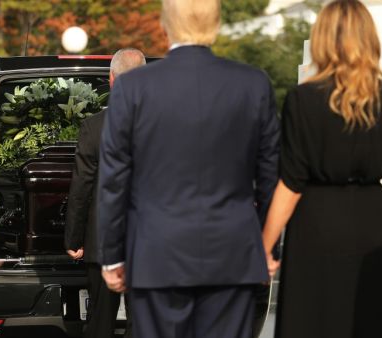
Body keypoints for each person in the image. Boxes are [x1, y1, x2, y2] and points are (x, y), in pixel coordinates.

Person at [96, 0, 279, 337]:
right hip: (233, 253)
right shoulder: (253, 84)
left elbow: (114, 179)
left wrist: (112, 255)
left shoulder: (132, 88)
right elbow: (270, 175)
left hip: (156, 254)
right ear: (217, 24)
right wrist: (269, 246)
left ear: (165, 26)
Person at [261, 1, 382, 337]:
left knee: (313, 321)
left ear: (321, 39)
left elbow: (291, 184)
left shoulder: (302, 99)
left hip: (315, 229)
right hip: (374, 225)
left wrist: (264, 247)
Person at [65, 48, 146, 338]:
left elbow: (82, 186)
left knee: (99, 321)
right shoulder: (163, 124)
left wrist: (74, 238)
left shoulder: (94, 127)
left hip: (103, 240)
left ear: (111, 80)